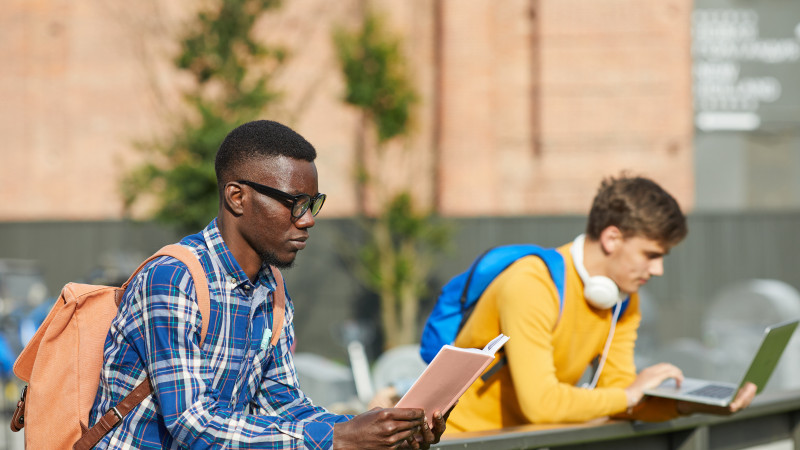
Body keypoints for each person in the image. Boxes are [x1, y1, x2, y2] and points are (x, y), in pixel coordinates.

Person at [89, 120, 448, 448]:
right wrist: (338, 440)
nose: (307, 220)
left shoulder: (271, 286)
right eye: (294, 203)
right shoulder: (173, 279)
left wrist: (379, 431)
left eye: (312, 204)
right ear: (237, 197)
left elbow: (284, 405)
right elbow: (193, 424)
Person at [444, 174, 757, 433]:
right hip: (465, 440)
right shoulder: (531, 284)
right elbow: (541, 403)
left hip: (525, 438)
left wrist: (689, 404)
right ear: (612, 239)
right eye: (651, 255)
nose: (658, 269)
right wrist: (629, 394)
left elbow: (621, 396)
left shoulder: (622, 301)